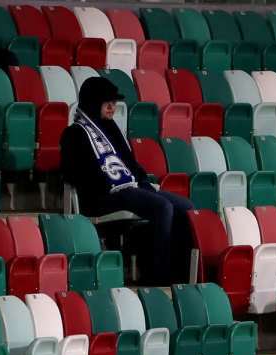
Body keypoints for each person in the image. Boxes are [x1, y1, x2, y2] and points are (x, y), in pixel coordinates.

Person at [60, 77, 195, 285]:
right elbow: (72, 174)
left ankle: (179, 270)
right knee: (163, 207)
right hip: (100, 195)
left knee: (186, 206)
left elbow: (130, 163)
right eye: (107, 103)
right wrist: (111, 182)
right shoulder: (74, 134)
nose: (112, 107)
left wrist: (141, 184)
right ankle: (156, 273)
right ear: (93, 103)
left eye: (114, 102)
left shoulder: (112, 129)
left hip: (128, 189)